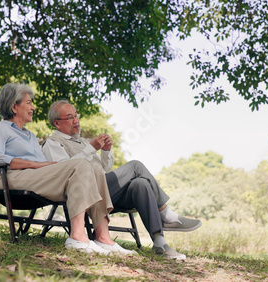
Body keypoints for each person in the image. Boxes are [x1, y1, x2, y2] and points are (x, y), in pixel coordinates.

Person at [0, 83, 135, 255]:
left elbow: (44, 165)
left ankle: (103, 238)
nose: (33, 107)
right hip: (7, 178)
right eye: (29, 103)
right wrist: (34, 164)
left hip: (35, 178)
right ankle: (77, 236)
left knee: (92, 166)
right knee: (81, 164)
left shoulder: (30, 136)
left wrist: (50, 166)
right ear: (14, 106)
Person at [42, 100, 202, 260]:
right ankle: (166, 215)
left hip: (103, 195)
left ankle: (160, 242)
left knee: (141, 184)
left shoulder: (83, 142)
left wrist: (105, 151)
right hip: (83, 195)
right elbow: (63, 171)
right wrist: (91, 149)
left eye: (76, 115)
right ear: (57, 123)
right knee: (136, 166)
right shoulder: (53, 143)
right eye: (70, 117)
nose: (76, 120)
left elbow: (104, 170)